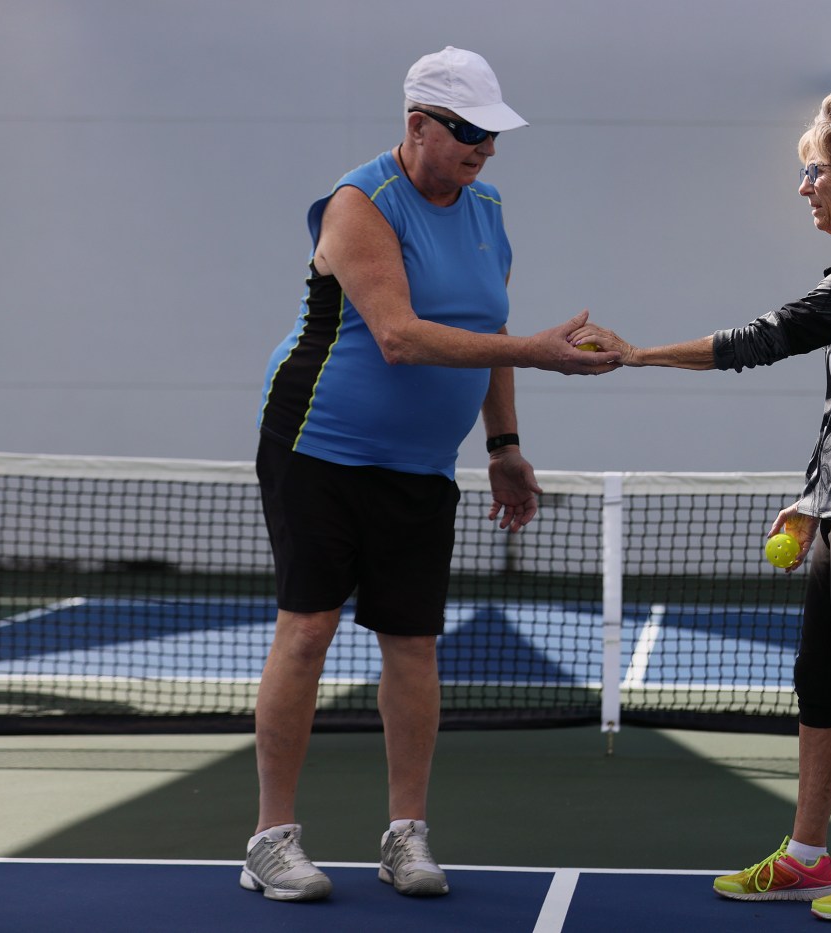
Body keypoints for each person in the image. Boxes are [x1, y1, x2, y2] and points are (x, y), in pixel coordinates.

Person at [242, 46, 619, 903]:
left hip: (420, 465)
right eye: (469, 132)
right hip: (318, 447)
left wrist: (504, 444)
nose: (485, 148)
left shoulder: (488, 208)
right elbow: (399, 336)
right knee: (308, 629)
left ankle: (405, 835)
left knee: (412, 642)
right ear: (418, 125)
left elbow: (491, 330)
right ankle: (270, 839)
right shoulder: (360, 203)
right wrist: (540, 353)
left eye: (493, 134)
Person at [571, 92, 831, 923]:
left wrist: (637, 355)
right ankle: (808, 857)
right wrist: (813, 500)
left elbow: (760, 339)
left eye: (815, 171)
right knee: (818, 681)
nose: (804, 186)